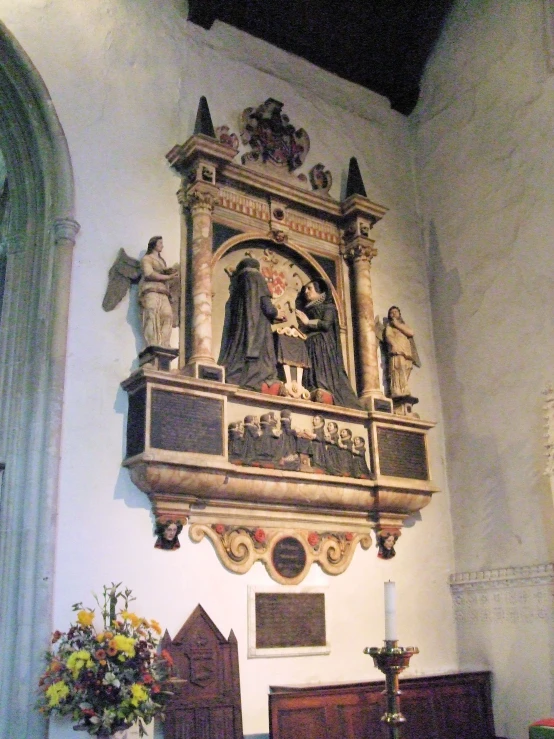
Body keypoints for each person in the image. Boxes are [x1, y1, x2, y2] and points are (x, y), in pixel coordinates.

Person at [218, 258, 285, 391]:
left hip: (240, 331)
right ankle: (256, 382)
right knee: (262, 357)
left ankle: (236, 379)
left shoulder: (238, 284)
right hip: (258, 328)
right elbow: (267, 307)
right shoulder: (257, 278)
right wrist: (278, 313)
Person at [295, 279, 361, 409]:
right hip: (309, 343)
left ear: (320, 292)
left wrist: (308, 322)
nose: (306, 291)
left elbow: (326, 325)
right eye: (305, 289)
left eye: (309, 288)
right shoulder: (307, 309)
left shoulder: (328, 307)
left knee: (320, 368)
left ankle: (323, 389)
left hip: (322, 343)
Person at [138, 236, 178, 348]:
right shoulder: (147, 258)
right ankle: (152, 344)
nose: (162, 245)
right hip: (150, 291)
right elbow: (148, 274)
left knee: (168, 315)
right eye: (160, 243)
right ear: (154, 244)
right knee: (151, 315)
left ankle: (165, 344)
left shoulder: (162, 262)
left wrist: (168, 271)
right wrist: (168, 276)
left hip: (163, 292)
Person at [384, 306, 420, 398]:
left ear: (399, 314)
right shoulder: (389, 326)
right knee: (397, 369)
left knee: (406, 368)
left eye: (396, 312)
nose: (394, 314)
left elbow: (410, 332)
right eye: (391, 312)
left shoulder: (402, 325)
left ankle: (404, 388)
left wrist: (397, 324)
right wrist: (394, 345)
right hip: (397, 351)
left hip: (406, 353)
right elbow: (388, 336)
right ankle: (397, 389)